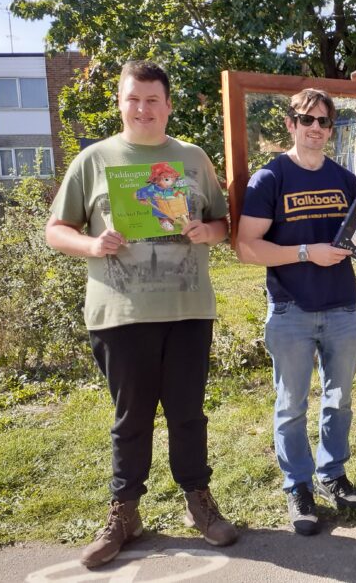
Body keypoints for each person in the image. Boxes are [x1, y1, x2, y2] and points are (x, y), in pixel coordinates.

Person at [46, 61, 237, 568]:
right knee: (130, 418)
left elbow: (223, 222)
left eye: (153, 100)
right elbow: (55, 229)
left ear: (168, 105)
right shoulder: (94, 159)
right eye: (134, 99)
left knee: (188, 413)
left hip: (188, 309)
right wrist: (92, 243)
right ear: (120, 102)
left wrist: (206, 232)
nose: (143, 109)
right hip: (120, 312)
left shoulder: (193, 159)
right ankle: (124, 513)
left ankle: (199, 500)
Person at [236, 88, 356, 536]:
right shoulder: (270, 178)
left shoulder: (345, 180)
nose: (317, 129)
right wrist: (307, 252)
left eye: (325, 122)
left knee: (339, 400)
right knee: (291, 405)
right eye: (308, 120)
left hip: (343, 305)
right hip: (291, 308)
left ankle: (332, 474)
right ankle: (298, 485)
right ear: (291, 124)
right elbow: (247, 248)